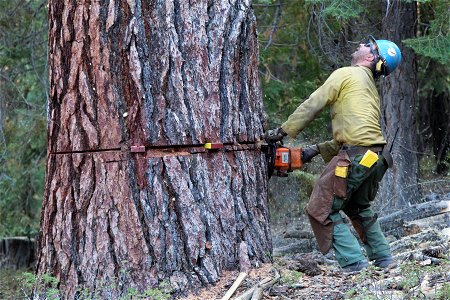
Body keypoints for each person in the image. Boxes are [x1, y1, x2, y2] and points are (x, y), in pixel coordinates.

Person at [264, 36, 402, 272]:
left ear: (370, 56)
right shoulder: (366, 85)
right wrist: (315, 151)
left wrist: (282, 132)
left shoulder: (347, 74)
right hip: (376, 158)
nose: (359, 45)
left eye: (366, 45)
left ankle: (354, 263)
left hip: (357, 157)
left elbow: (313, 103)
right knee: (358, 208)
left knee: (321, 207)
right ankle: (383, 258)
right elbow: (356, 132)